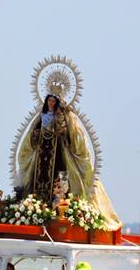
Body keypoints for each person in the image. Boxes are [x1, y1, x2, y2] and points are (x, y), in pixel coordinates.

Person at [15, 93, 121, 230]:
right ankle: (38, 206)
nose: (51, 103)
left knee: (61, 176)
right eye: (49, 101)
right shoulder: (41, 117)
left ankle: (61, 207)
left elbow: (69, 134)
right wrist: (36, 135)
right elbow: (33, 135)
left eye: (53, 101)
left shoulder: (62, 116)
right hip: (43, 153)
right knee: (39, 178)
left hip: (58, 152)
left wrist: (60, 121)